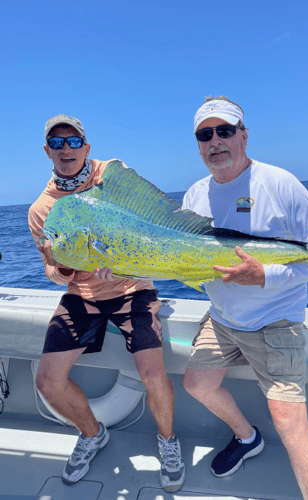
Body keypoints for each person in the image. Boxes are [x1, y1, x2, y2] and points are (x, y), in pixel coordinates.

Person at [182, 96, 308, 500]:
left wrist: (265, 277)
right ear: (198, 144)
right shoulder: (194, 197)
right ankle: (246, 437)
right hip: (222, 320)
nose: (215, 141)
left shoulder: (279, 183)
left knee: (288, 419)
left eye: (225, 131)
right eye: (206, 134)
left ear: (244, 136)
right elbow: (180, 262)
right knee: (197, 384)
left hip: (276, 322)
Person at [28, 114, 185, 492]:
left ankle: (168, 442)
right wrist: (65, 268)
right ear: (47, 151)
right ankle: (92, 433)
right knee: (48, 382)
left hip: (133, 287)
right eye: (57, 143)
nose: (66, 149)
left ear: (86, 146)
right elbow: (50, 270)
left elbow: (147, 224)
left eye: (73, 141)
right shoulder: (40, 210)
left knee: (152, 373)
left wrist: (124, 266)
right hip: (82, 294)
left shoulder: (111, 173)